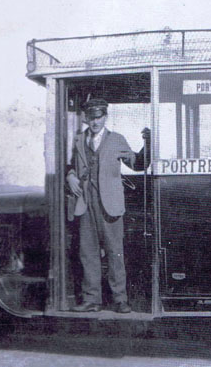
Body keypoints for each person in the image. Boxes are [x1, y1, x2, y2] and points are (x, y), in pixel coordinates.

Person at [66, 98, 149, 313]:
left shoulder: (117, 140)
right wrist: (71, 176)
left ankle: (120, 300)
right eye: (91, 117)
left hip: (110, 205)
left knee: (115, 252)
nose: (95, 122)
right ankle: (92, 300)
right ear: (86, 118)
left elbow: (137, 164)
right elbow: (72, 166)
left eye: (99, 117)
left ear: (105, 117)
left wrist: (148, 144)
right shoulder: (79, 140)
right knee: (88, 253)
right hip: (85, 203)